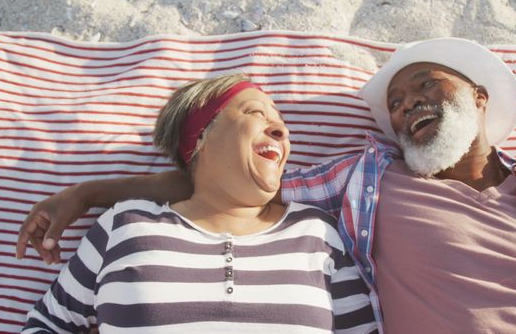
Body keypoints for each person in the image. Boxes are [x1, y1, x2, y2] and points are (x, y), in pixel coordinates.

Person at [17, 38, 516, 333]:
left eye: (426, 84)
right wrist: (85, 195)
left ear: (479, 98)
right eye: (394, 102)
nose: (406, 103)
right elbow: (228, 188)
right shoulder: (366, 182)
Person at [21, 74, 378, 333]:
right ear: (200, 138)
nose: (281, 131)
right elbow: (46, 325)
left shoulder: (315, 231)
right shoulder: (125, 225)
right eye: (256, 113)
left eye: (281, 122)